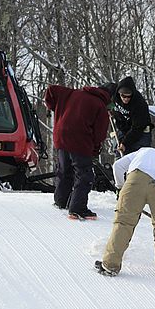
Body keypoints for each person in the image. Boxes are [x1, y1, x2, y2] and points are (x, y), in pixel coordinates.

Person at [95, 147, 155, 278]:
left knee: (124, 223)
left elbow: (118, 166)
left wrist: (120, 188)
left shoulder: (142, 151)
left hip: (135, 180)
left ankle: (110, 265)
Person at [44, 82, 113, 220]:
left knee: (64, 171)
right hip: (80, 141)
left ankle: (61, 201)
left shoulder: (74, 93)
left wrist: (52, 107)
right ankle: (77, 209)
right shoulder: (100, 105)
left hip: (61, 137)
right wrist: (94, 150)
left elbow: (51, 90)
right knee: (84, 175)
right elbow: (99, 134)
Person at [111, 76, 153, 155]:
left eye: (129, 96)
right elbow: (106, 95)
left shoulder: (139, 104)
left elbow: (138, 127)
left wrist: (125, 143)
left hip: (140, 132)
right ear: (119, 93)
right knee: (118, 152)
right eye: (123, 96)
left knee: (138, 156)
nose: (126, 99)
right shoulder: (114, 95)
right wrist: (109, 109)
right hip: (124, 128)